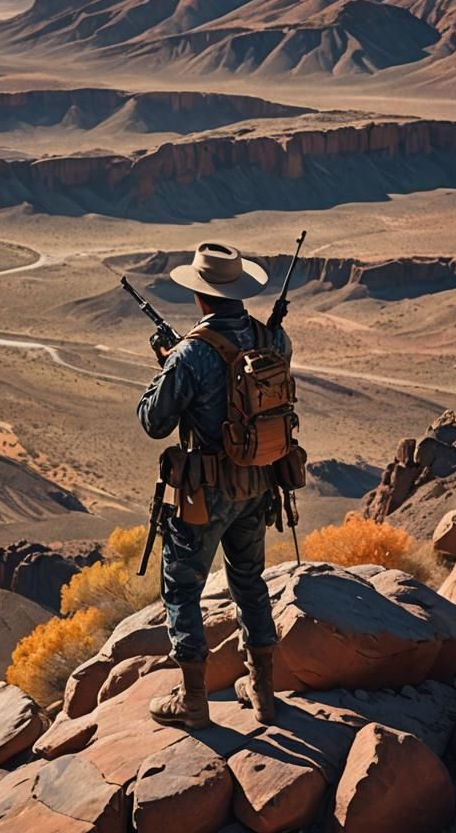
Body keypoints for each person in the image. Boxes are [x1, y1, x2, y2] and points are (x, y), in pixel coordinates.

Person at [136, 242, 292, 730]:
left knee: (182, 587)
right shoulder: (273, 338)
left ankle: (194, 700)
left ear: (202, 297)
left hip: (206, 493)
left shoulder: (190, 355)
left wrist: (166, 365)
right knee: (249, 581)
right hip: (260, 484)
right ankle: (263, 694)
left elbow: (153, 422)